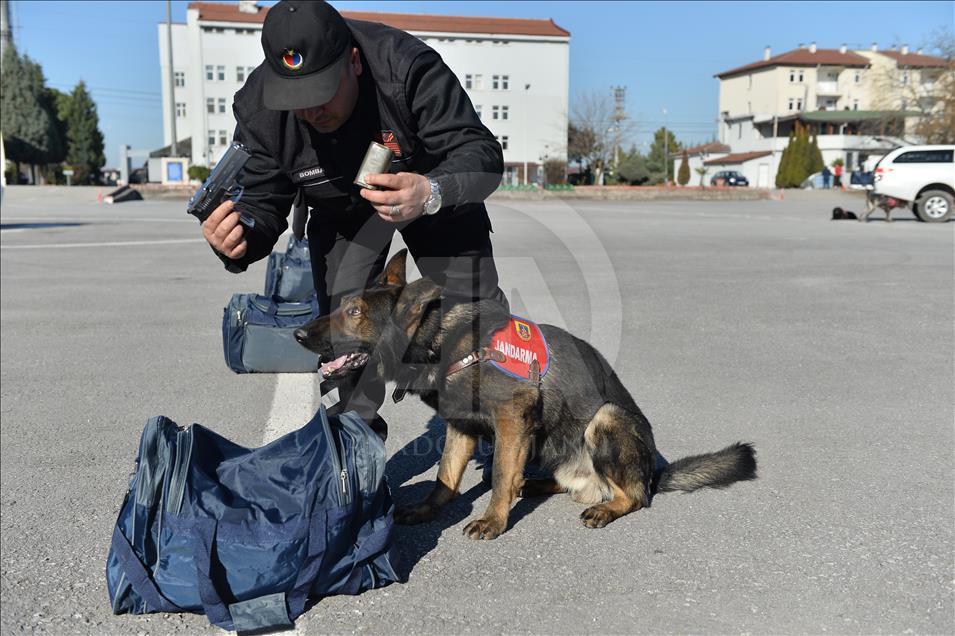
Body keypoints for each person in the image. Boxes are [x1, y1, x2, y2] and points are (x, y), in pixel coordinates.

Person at [201, 0, 507, 437]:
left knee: (475, 314)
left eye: (321, 94)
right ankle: (355, 452)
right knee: (342, 337)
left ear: (355, 62)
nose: (310, 112)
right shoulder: (259, 110)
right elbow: (261, 201)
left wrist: (432, 190)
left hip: (429, 193)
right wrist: (238, 237)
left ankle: (500, 424)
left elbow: (481, 154)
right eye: (297, 100)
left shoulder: (408, 68)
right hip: (341, 214)